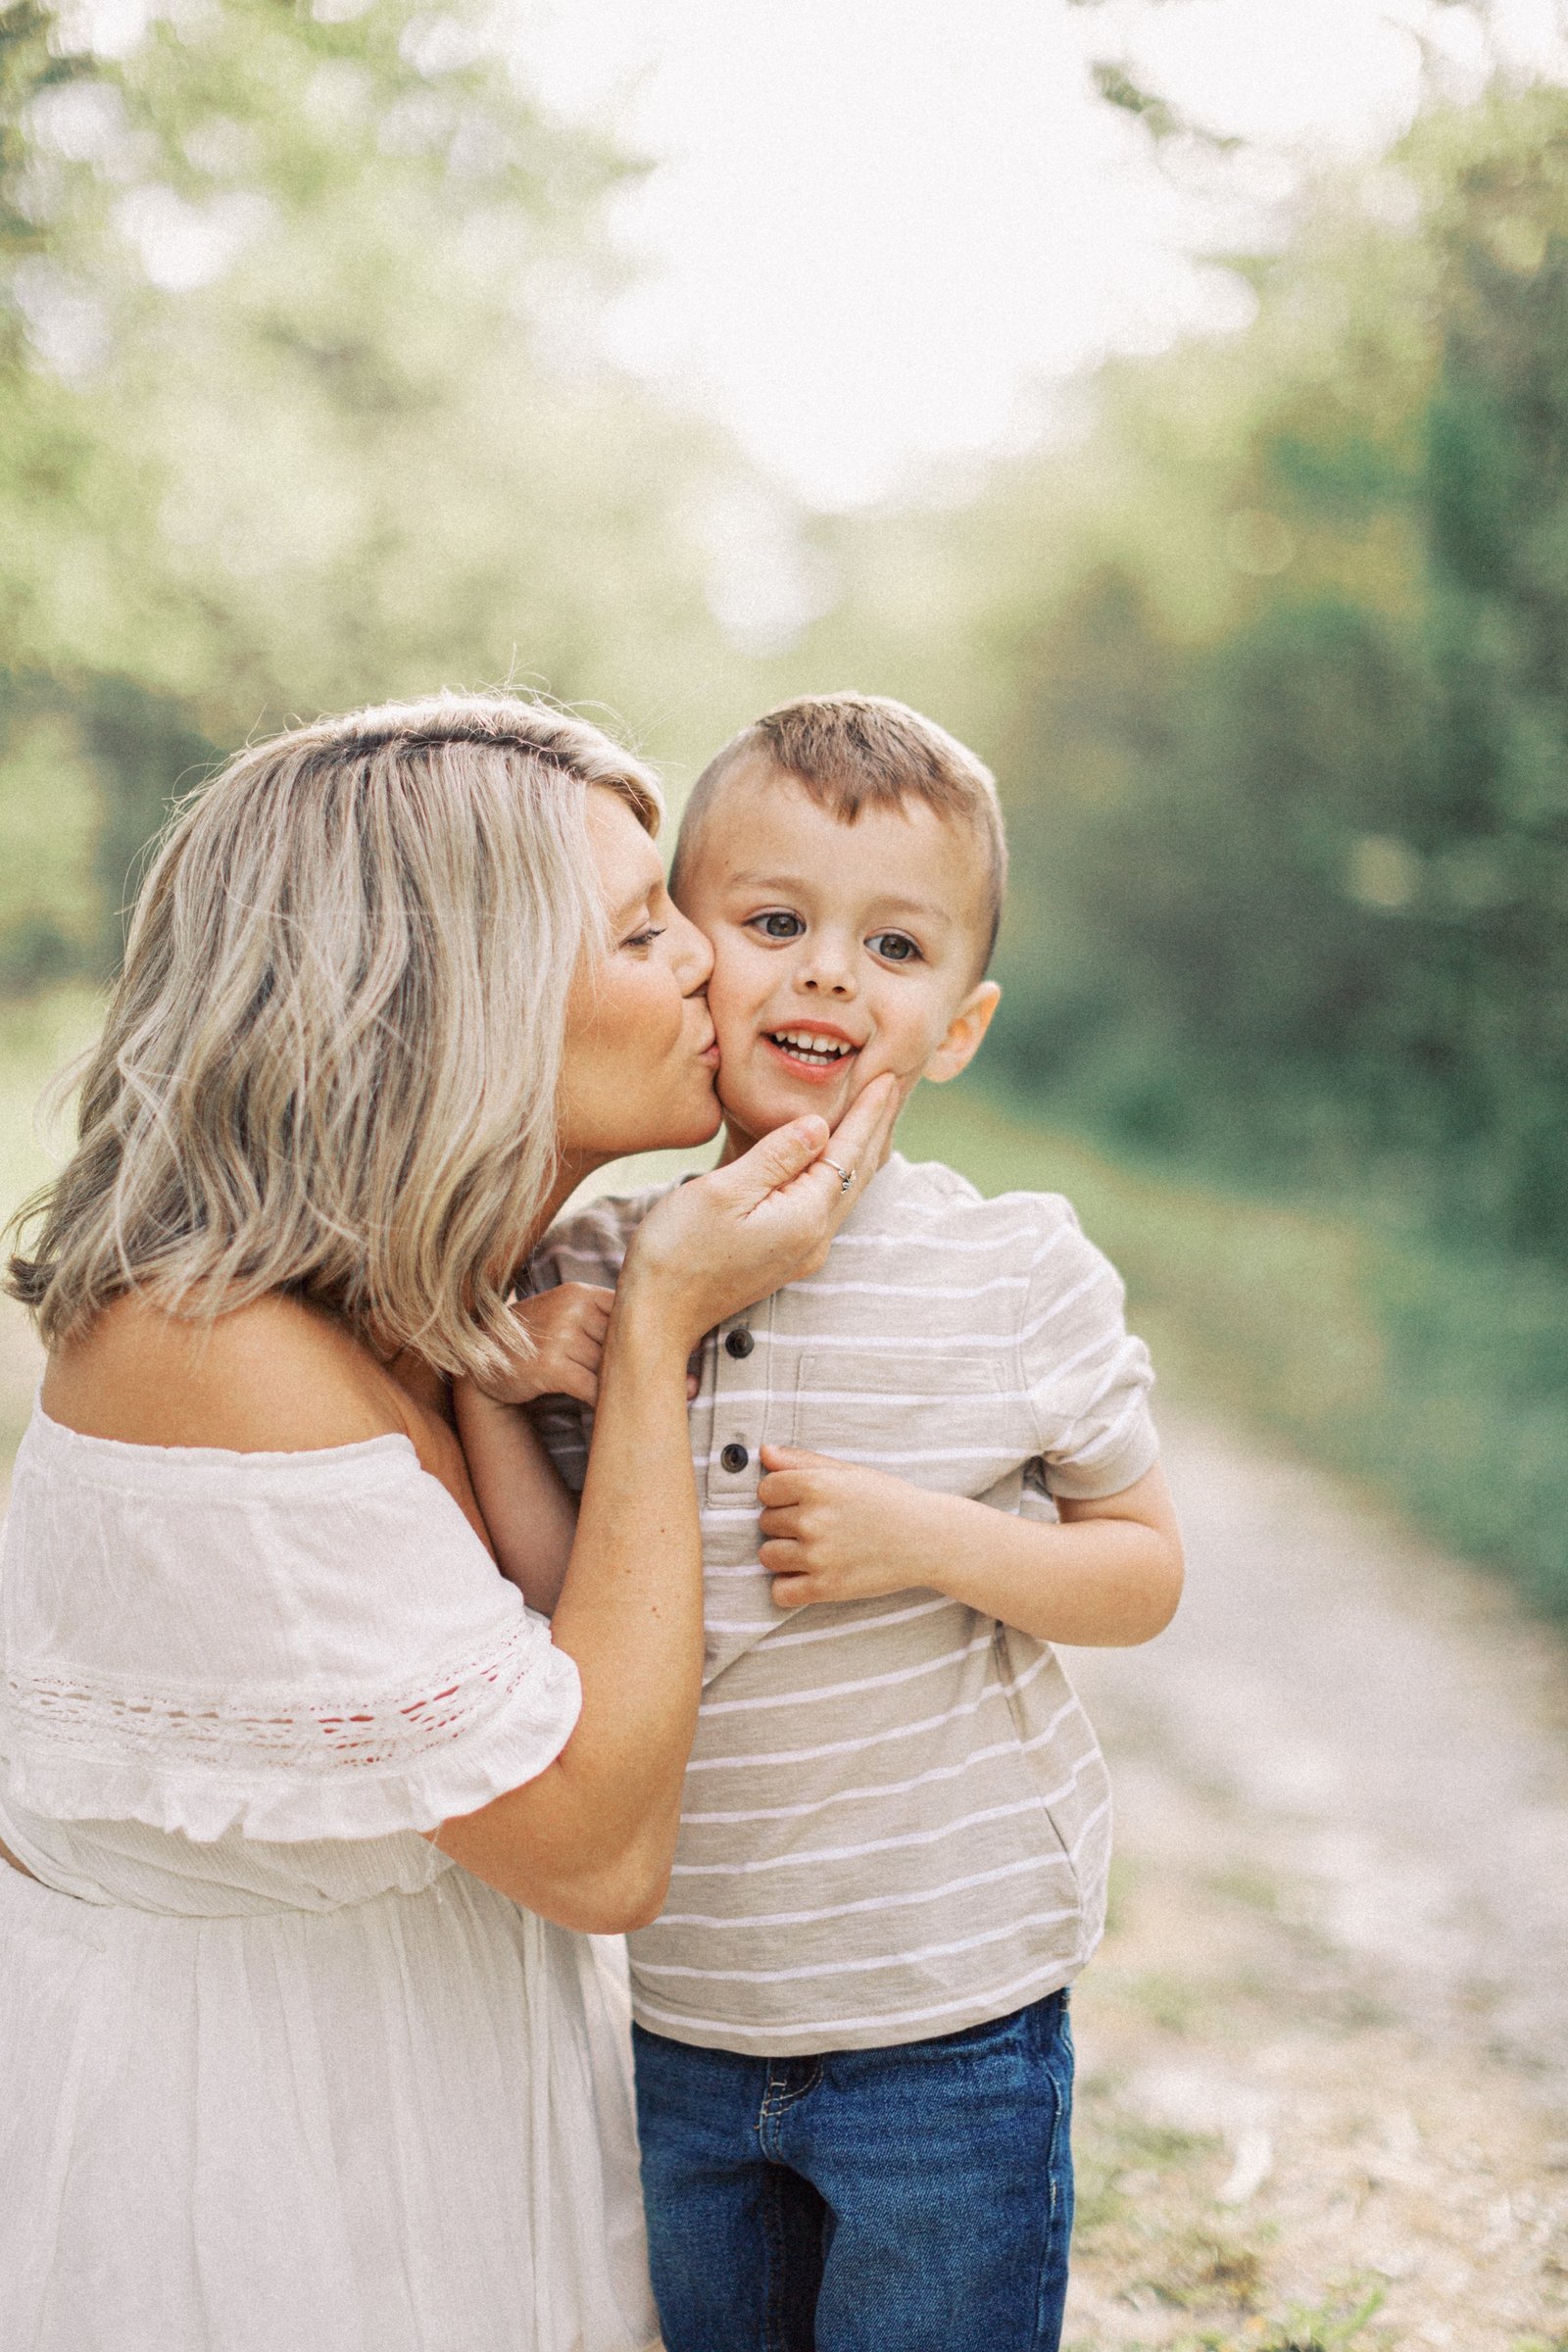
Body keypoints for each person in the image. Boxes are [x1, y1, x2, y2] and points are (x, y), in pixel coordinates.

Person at [0, 692, 898, 2352]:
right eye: (642, 930)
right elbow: (598, 1847)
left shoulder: (451, 1306)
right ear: (449, 1002)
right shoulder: (210, 1350)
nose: (712, 953)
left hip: (441, 2121)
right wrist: (657, 1338)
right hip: (251, 2193)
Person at [467, 693, 1186, 2352]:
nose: (828, 976)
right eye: (774, 922)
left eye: (895, 947)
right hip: (677, 2016)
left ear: (960, 1023)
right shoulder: (590, 1267)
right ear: (689, 956)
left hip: (945, 2015)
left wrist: (930, 1542)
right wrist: (500, 1389)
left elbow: (1142, 1573)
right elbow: (558, 1607)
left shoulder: (1015, 1271)